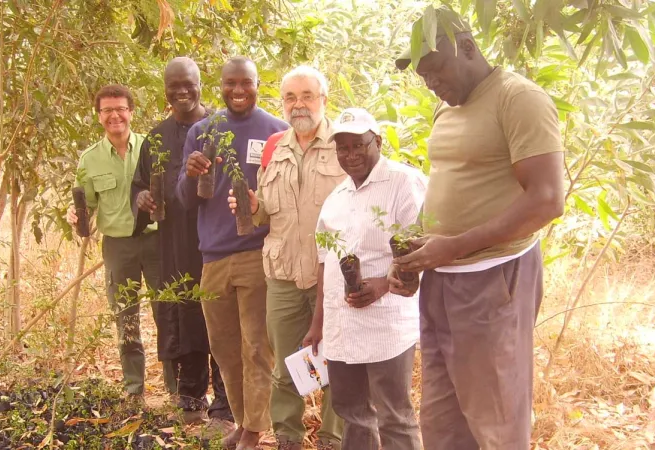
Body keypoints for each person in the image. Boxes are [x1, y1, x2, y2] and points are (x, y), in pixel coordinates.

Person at [392, 6, 565, 450]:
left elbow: (547, 200)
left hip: (492, 281)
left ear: (468, 48)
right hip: (441, 285)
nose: (431, 83)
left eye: (436, 69)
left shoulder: (517, 98)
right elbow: (450, 185)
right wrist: (417, 247)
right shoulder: (447, 111)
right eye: (423, 76)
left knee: (494, 419)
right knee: (445, 418)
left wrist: (455, 247)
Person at [227, 65, 345, 450]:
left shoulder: (346, 142)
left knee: (337, 361)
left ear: (323, 100)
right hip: (282, 275)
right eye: (291, 98)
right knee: (285, 365)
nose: (299, 105)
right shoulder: (275, 145)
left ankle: (331, 437)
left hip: (335, 275)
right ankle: (288, 437)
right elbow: (266, 214)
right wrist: (251, 206)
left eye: (307, 96)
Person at [176, 56, 289, 450]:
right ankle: (243, 421)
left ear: (259, 85)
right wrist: (190, 175)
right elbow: (184, 200)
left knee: (257, 346)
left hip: (257, 255)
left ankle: (255, 431)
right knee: (224, 348)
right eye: (230, 83)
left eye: (247, 83)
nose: (238, 91)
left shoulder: (278, 131)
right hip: (213, 258)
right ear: (219, 86)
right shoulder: (202, 131)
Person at [305, 108, 426, 450]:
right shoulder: (337, 198)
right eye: (342, 148)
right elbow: (324, 264)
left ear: (378, 141)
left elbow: (421, 247)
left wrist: (384, 284)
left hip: (386, 323)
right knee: (351, 410)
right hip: (342, 325)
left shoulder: (404, 183)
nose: (350, 155)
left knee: (393, 414)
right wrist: (318, 324)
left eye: (358, 145)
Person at [131, 57, 234, 432]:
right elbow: (140, 186)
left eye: (188, 84)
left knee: (222, 319)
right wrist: (142, 199)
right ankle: (191, 396)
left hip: (217, 239)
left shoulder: (222, 129)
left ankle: (225, 405)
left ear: (200, 84)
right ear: (165, 91)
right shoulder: (156, 138)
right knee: (185, 314)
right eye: (174, 85)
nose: (182, 92)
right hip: (175, 242)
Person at [66, 84, 158, 401]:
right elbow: (86, 204)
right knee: (126, 318)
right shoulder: (89, 160)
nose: (114, 115)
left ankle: (178, 392)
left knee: (169, 314)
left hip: (157, 242)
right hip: (118, 247)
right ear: (99, 116)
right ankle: (134, 391)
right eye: (107, 110)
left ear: (131, 112)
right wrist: (76, 216)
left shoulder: (151, 147)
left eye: (120, 108)